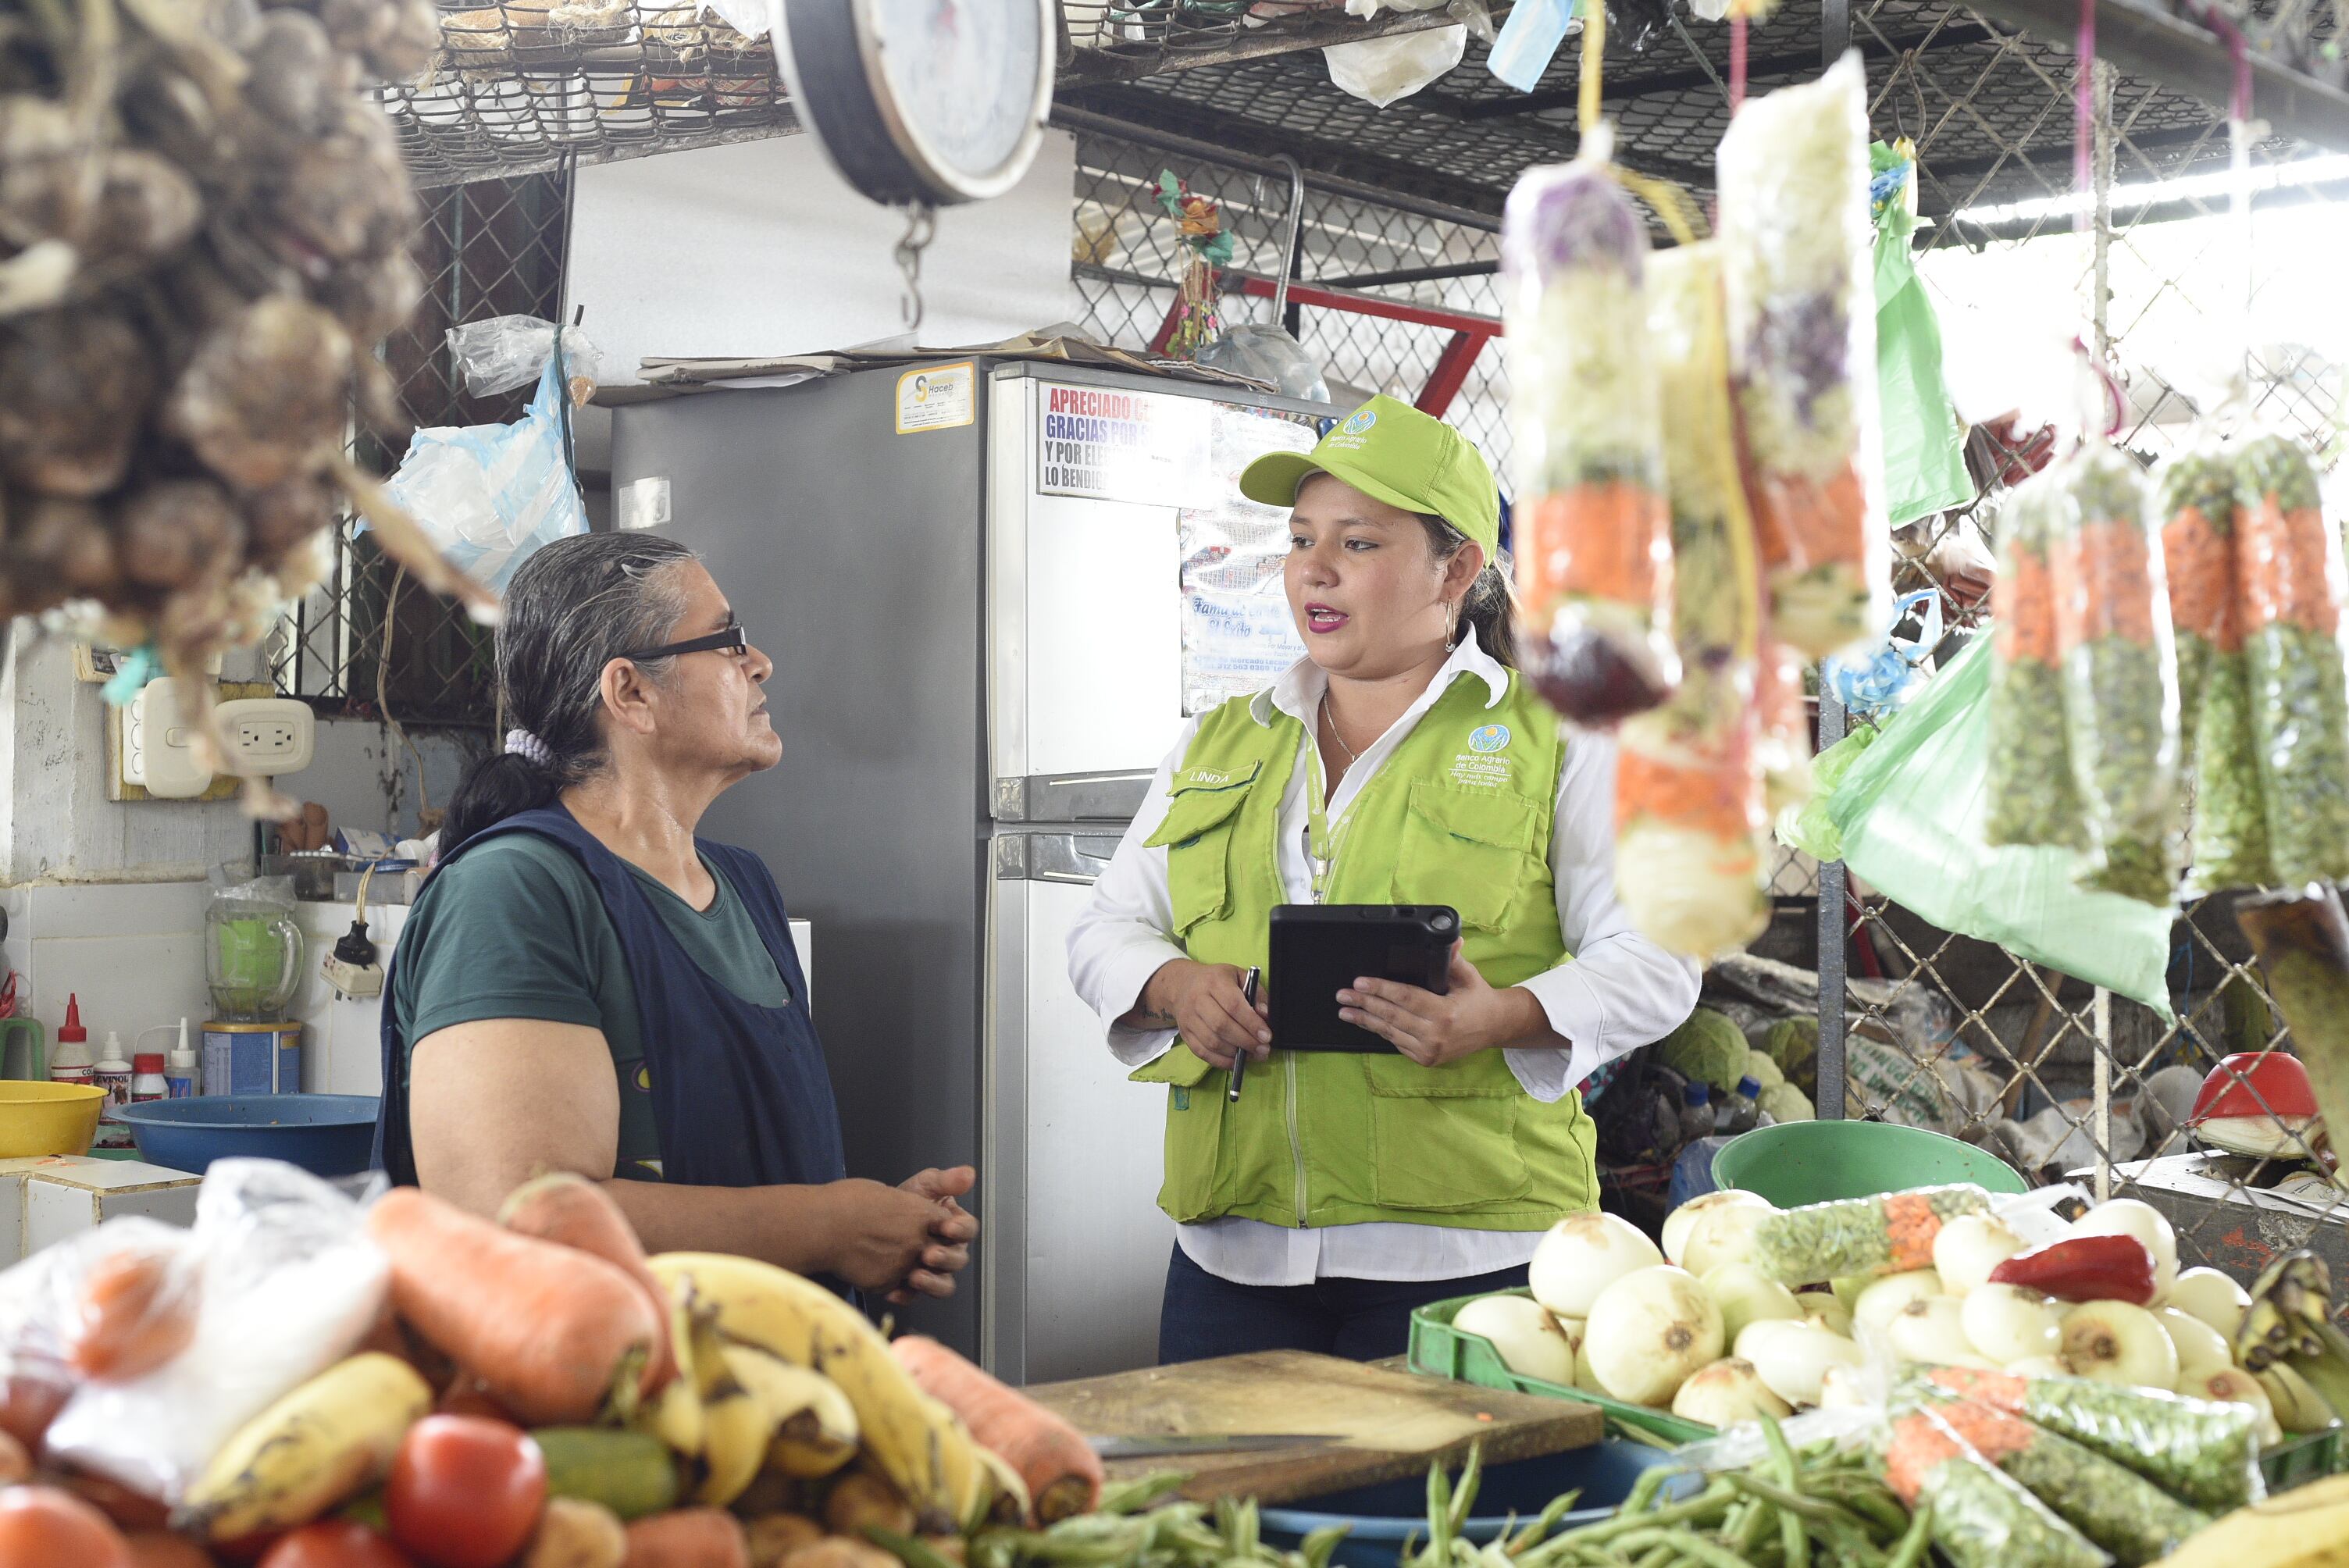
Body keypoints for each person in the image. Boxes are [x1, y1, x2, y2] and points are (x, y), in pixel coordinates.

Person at [1066, 396, 1699, 1363]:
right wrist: (1173, 987)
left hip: (1470, 1259)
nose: (1312, 569)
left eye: (1356, 543)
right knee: (1222, 1515)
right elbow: (1106, 928)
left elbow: (1657, 957)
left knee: (1437, 1519)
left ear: (1455, 567)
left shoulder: (1563, 738)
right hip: (1232, 1255)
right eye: (1299, 538)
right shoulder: (1219, 737)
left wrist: (1507, 1014)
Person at [373, 533, 976, 1306]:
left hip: (773, 1394)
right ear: (630, 693)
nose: (759, 662)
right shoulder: (512, 892)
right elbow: (517, 1223)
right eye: (727, 641)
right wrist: (827, 1223)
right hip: (612, 1401)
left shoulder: (744, 885)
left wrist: (873, 1228)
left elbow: (748, 1170)